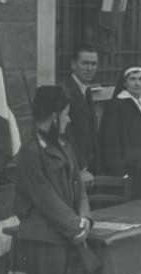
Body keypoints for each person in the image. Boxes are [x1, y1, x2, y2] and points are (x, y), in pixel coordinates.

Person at [15, 85, 124, 274]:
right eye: (64, 115)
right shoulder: (29, 152)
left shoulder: (64, 145)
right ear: (52, 116)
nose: (68, 120)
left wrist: (85, 218)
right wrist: (75, 226)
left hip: (71, 233)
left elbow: (78, 187)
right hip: (44, 237)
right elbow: (44, 198)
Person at [99, 66, 141, 199]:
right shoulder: (116, 105)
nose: (137, 83)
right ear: (124, 83)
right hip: (127, 174)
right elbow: (111, 141)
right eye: (132, 79)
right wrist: (121, 172)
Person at [62, 45, 99, 185]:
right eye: (85, 63)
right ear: (73, 64)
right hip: (75, 171)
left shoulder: (85, 90)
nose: (90, 69)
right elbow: (65, 135)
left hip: (89, 169)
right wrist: (81, 168)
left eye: (93, 64)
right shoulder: (65, 90)